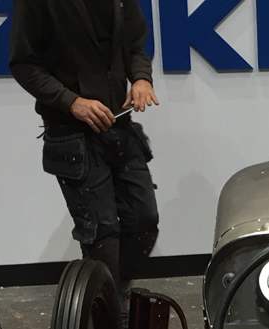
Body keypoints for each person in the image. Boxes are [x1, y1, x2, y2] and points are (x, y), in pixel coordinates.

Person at [9, 0, 160, 298]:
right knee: (103, 237)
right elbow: (23, 63)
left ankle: (114, 302)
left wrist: (141, 78)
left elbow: (135, 45)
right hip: (71, 136)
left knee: (144, 222)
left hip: (119, 127)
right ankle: (109, 321)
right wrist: (71, 102)